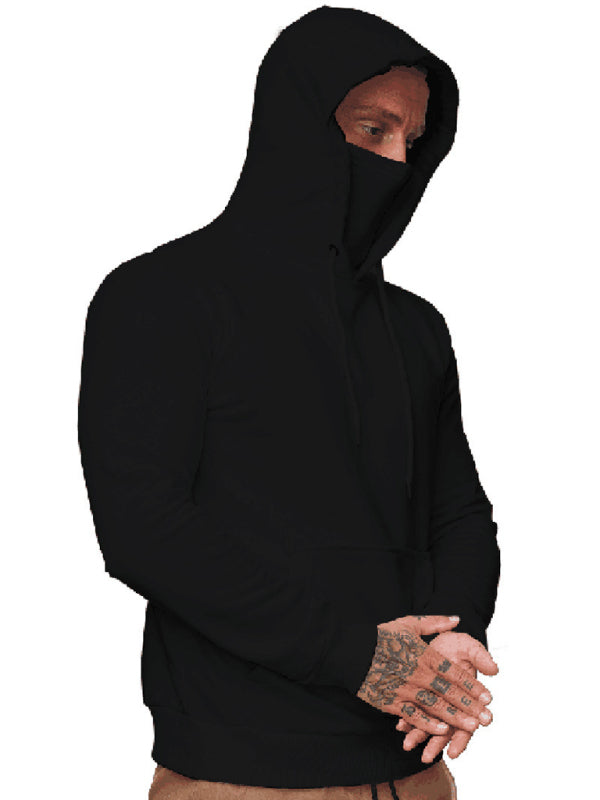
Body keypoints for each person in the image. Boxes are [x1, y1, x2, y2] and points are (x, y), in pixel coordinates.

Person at [77, 7, 501, 800]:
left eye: (412, 142)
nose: (395, 163)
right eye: (372, 130)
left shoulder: (416, 328)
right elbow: (144, 528)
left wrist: (455, 635)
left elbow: (458, 511)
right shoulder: (160, 298)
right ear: (296, 125)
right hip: (243, 777)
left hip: (416, 773)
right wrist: (362, 660)